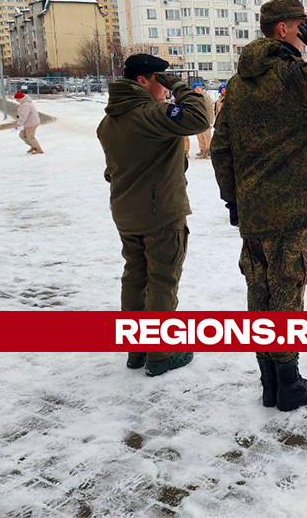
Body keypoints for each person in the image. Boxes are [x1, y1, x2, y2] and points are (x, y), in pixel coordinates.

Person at [211, 0, 307, 411]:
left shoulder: (238, 85)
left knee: (259, 291)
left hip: (254, 210)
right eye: (301, 25)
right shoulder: (297, 79)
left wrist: (233, 200)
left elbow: (221, 148)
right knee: (287, 290)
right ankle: (289, 382)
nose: (306, 30)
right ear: (282, 30)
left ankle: (269, 381)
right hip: (292, 209)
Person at [98, 54, 210, 376]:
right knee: (162, 280)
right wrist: (177, 84)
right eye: (160, 80)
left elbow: (113, 170)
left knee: (135, 277)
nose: (165, 88)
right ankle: (161, 353)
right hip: (160, 213)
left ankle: (137, 349)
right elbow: (200, 117)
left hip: (127, 213)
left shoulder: (109, 120)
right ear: (143, 81)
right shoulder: (150, 113)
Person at [193, 83, 214, 159]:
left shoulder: (205, 97)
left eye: (199, 88)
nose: (198, 89)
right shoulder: (194, 98)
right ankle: (202, 150)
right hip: (197, 120)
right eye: (196, 88)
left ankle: (208, 151)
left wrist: (211, 121)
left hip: (205, 120)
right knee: (200, 136)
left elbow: (210, 109)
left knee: (207, 136)